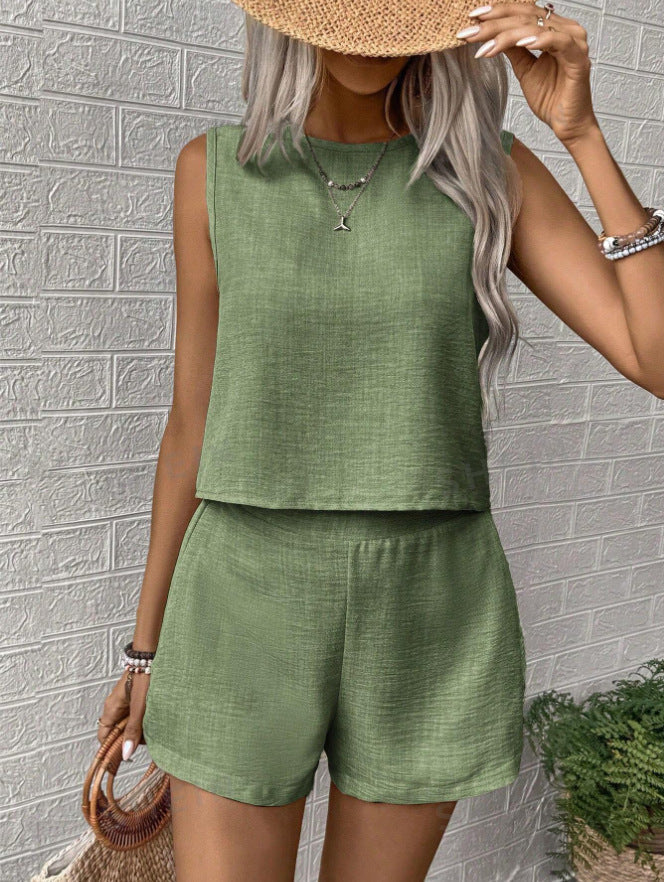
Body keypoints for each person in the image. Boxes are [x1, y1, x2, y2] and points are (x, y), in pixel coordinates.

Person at [95, 0, 664, 879]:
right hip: (242, 597)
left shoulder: (490, 174)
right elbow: (190, 424)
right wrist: (145, 648)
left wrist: (581, 133)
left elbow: (653, 358)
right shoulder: (213, 172)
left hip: (430, 604)